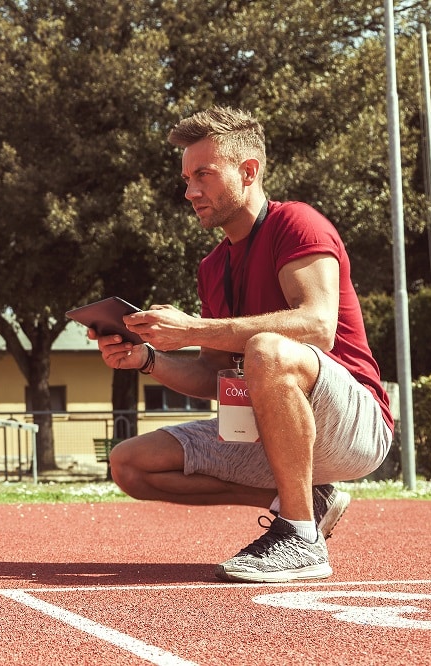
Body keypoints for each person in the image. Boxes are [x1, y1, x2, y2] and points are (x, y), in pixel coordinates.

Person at [95, 106, 393, 583]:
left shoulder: (298, 223)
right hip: (272, 430)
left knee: (266, 349)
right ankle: (305, 501)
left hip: (353, 424)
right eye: (187, 178)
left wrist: (191, 329)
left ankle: (299, 538)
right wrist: (148, 358)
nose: (190, 191)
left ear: (249, 171)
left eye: (204, 175)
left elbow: (318, 326)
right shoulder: (212, 268)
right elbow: (215, 376)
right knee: (129, 463)